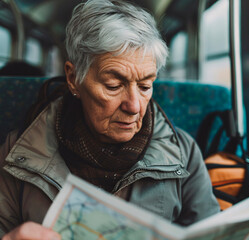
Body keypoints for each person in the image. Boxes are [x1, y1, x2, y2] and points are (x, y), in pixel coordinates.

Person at [0, 0, 220, 239]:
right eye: (114, 86)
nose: (134, 106)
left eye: (146, 86)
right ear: (74, 78)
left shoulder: (183, 153)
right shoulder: (20, 152)